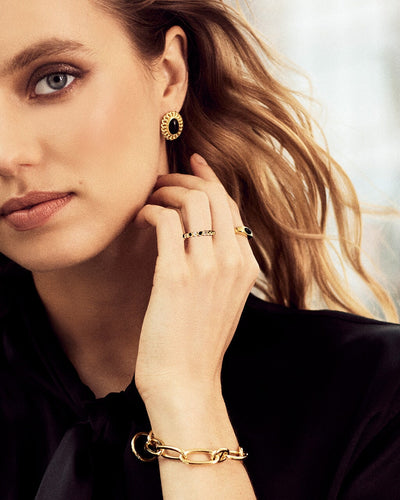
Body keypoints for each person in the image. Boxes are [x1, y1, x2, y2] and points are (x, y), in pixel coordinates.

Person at [0, 0, 399, 498]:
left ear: (169, 75)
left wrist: (185, 395)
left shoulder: (374, 398)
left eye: (54, 80)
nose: (7, 155)